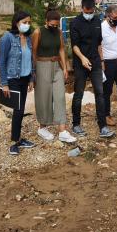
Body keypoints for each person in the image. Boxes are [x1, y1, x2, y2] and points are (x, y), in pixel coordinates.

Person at [70, 0, 115, 138]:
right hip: (80, 63)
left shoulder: (97, 21)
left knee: (100, 94)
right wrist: (82, 58)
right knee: (79, 94)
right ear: (82, 8)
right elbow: (74, 45)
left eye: (91, 11)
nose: (89, 14)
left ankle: (103, 127)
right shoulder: (75, 23)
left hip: (95, 62)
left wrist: (101, 62)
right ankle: (76, 124)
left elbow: (98, 43)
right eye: (86, 11)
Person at [32, 9, 77, 143]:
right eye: (52, 25)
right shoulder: (38, 32)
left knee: (59, 97)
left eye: (56, 25)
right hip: (42, 66)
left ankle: (62, 130)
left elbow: (62, 49)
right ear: (46, 21)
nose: (54, 27)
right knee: (43, 98)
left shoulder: (58, 32)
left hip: (56, 66)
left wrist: (65, 68)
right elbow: (33, 52)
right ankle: (42, 127)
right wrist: (33, 71)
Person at [0, 11, 36, 155]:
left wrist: (31, 78)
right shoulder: (7, 38)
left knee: (20, 110)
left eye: (29, 22)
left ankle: (18, 138)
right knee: (18, 110)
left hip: (25, 78)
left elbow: (31, 59)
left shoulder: (28, 38)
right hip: (13, 78)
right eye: (24, 22)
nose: (27, 25)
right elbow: (1, 61)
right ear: (16, 22)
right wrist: (4, 83)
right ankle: (14, 142)